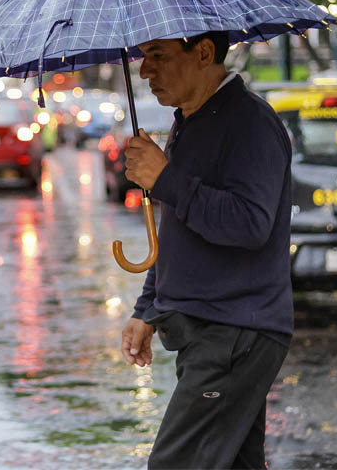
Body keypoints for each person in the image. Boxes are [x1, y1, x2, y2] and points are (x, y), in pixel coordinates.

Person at [120, 31, 293, 469]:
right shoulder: (190, 121)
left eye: (157, 56)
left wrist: (166, 179)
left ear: (203, 53)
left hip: (234, 329)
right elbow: (179, 229)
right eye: (143, 58)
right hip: (207, 329)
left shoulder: (250, 123)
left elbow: (250, 224)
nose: (145, 70)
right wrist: (147, 308)